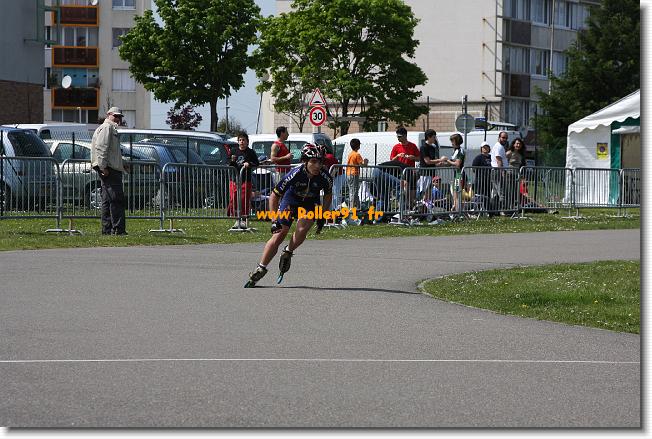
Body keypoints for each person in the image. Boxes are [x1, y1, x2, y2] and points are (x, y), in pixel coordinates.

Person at [245, 143, 333, 287]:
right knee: (280, 233)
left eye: (320, 162)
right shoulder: (294, 174)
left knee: (302, 229)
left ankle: (288, 251)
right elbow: (274, 195)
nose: (318, 165)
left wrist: (322, 214)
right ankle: (261, 267)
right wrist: (274, 220)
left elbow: (328, 195)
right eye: (313, 161)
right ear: (305, 161)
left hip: (310, 203)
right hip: (291, 200)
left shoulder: (325, 176)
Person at [90, 106, 127, 235]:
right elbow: (101, 148)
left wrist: (123, 163)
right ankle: (118, 229)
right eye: (115, 116)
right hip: (109, 168)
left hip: (108, 167)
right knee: (116, 199)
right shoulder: (107, 127)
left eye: (120, 116)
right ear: (108, 115)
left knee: (107, 200)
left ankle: (107, 229)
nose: (118, 118)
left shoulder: (107, 128)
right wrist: (103, 167)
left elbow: (110, 151)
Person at [228, 132, 259, 228]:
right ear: (238, 141)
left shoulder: (250, 152)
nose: (242, 142)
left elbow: (256, 163)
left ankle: (244, 219)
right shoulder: (233, 151)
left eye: (243, 140)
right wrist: (232, 161)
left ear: (247, 142)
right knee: (233, 198)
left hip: (246, 179)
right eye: (240, 140)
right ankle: (236, 219)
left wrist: (249, 164)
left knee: (244, 199)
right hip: (234, 179)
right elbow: (228, 162)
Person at [390, 126, 420, 209]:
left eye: (400, 136)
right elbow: (391, 159)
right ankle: (403, 206)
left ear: (405, 136)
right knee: (403, 187)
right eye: (397, 136)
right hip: (400, 171)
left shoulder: (413, 146)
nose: (398, 138)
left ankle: (411, 206)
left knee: (412, 191)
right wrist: (397, 156)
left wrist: (413, 157)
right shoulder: (396, 147)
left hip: (410, 171)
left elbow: (419, 158)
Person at [418, 129, 447, 201]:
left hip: (432, 173)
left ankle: (427, 206)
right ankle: (423, 205)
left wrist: (440, 164)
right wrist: (440, 160)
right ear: (428, 137)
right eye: (434, 137)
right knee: (425, 193)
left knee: (429, 193)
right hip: (425, 174)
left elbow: (433, 162)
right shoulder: (423, 147)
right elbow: (427, 161)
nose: (435, 138)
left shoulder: (433, 147)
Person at [442, 133, 465, 213]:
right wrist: (441, 163)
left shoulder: (460, 151)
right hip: (456, 175)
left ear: (457, 141)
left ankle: (458, 212)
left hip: (459, 175)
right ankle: (456, 210)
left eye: (452, 141)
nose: (451, 143)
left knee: (457, 194)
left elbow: (457, 164)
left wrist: (447, 160)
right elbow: (451, 163)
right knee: (455, 194)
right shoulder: (454, 151)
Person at [345, 138, 368, 210]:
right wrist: (366, 162)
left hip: (348, 173)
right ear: (358, 146)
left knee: (352, 190)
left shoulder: (350, 154)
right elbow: (362, 165)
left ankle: (357, 206)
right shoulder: (357, 154)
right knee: (354, 191)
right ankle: (352, 208)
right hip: (354, 174)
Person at [490, 131, 509, 212]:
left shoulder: (500, 146)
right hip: (498, 171)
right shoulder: (499, 147)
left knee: (495, 192)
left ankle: (493, 209)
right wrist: (502, 172)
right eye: (503, 137)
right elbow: (499, 160)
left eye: (506, 138)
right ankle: (502, 210)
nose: (505, 139)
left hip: (496, 171)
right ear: (499, 138)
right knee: (501, 191)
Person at [471, 141, 492, 209]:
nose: (485, 148)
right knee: (480, 196)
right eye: (484, 147)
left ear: (489, 148)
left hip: (489, 180)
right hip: (480, 181)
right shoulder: (478, 157)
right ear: (481, 148)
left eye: (487, 147)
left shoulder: (491, 157)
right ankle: (478, 210)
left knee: (488, 195)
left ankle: (487, 210)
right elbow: (473, 168)